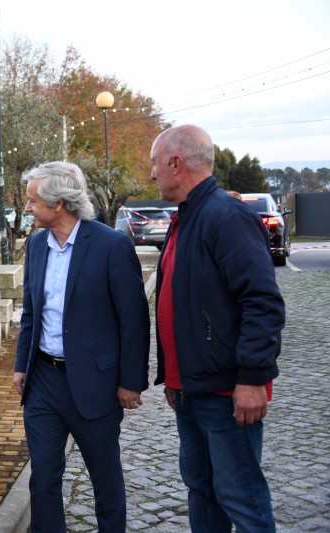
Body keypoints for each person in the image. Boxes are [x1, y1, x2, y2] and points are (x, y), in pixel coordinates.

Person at [150, 125, 285, 532]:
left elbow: (262, 302)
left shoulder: (225, 217)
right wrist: (174, 379)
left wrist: (251, 379)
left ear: (176, 162)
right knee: (203, 492)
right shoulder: (187, 218)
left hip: (227, 392)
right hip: (193, 389)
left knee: (240, 497)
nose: (152, 174)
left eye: (155, 165)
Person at [12, 161, 150, 532]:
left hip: (96, 385)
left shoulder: (112, 245)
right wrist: (21, 366)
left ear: (59, 204)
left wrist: (130, 381)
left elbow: (133, 320)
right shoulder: (37, 244)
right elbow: (31, 313)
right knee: (42, 477)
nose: (26, 208)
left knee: (104, 480)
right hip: (42, 380)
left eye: (32, 201)